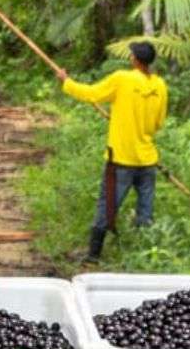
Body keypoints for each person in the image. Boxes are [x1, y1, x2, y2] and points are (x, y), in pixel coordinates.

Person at [55, 40, 169, 262]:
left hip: (121, 160)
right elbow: (158, 123)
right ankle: (145, 257)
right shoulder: (160, 86)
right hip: (147, 160)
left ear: (134, 59)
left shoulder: (122, 79)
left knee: (107, 205)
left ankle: (93, 255)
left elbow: (91, 94)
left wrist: (66, 81)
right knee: (145, 211)